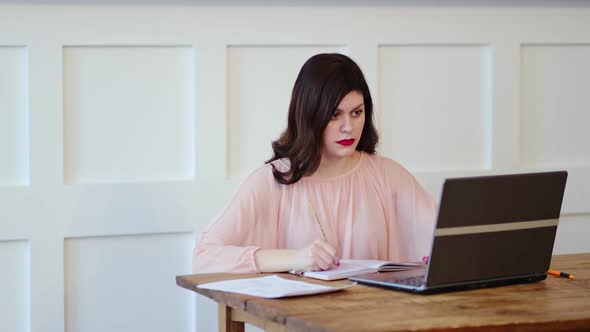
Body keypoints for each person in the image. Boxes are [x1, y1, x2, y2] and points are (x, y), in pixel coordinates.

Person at [193, 53, 437, 274]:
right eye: (334, 115)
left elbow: (448, 238)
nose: (348, 127)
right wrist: (294, 259)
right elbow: (204, 257)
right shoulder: (272, 181)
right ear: (310, 115)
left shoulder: (388, 175)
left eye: (357, 112)